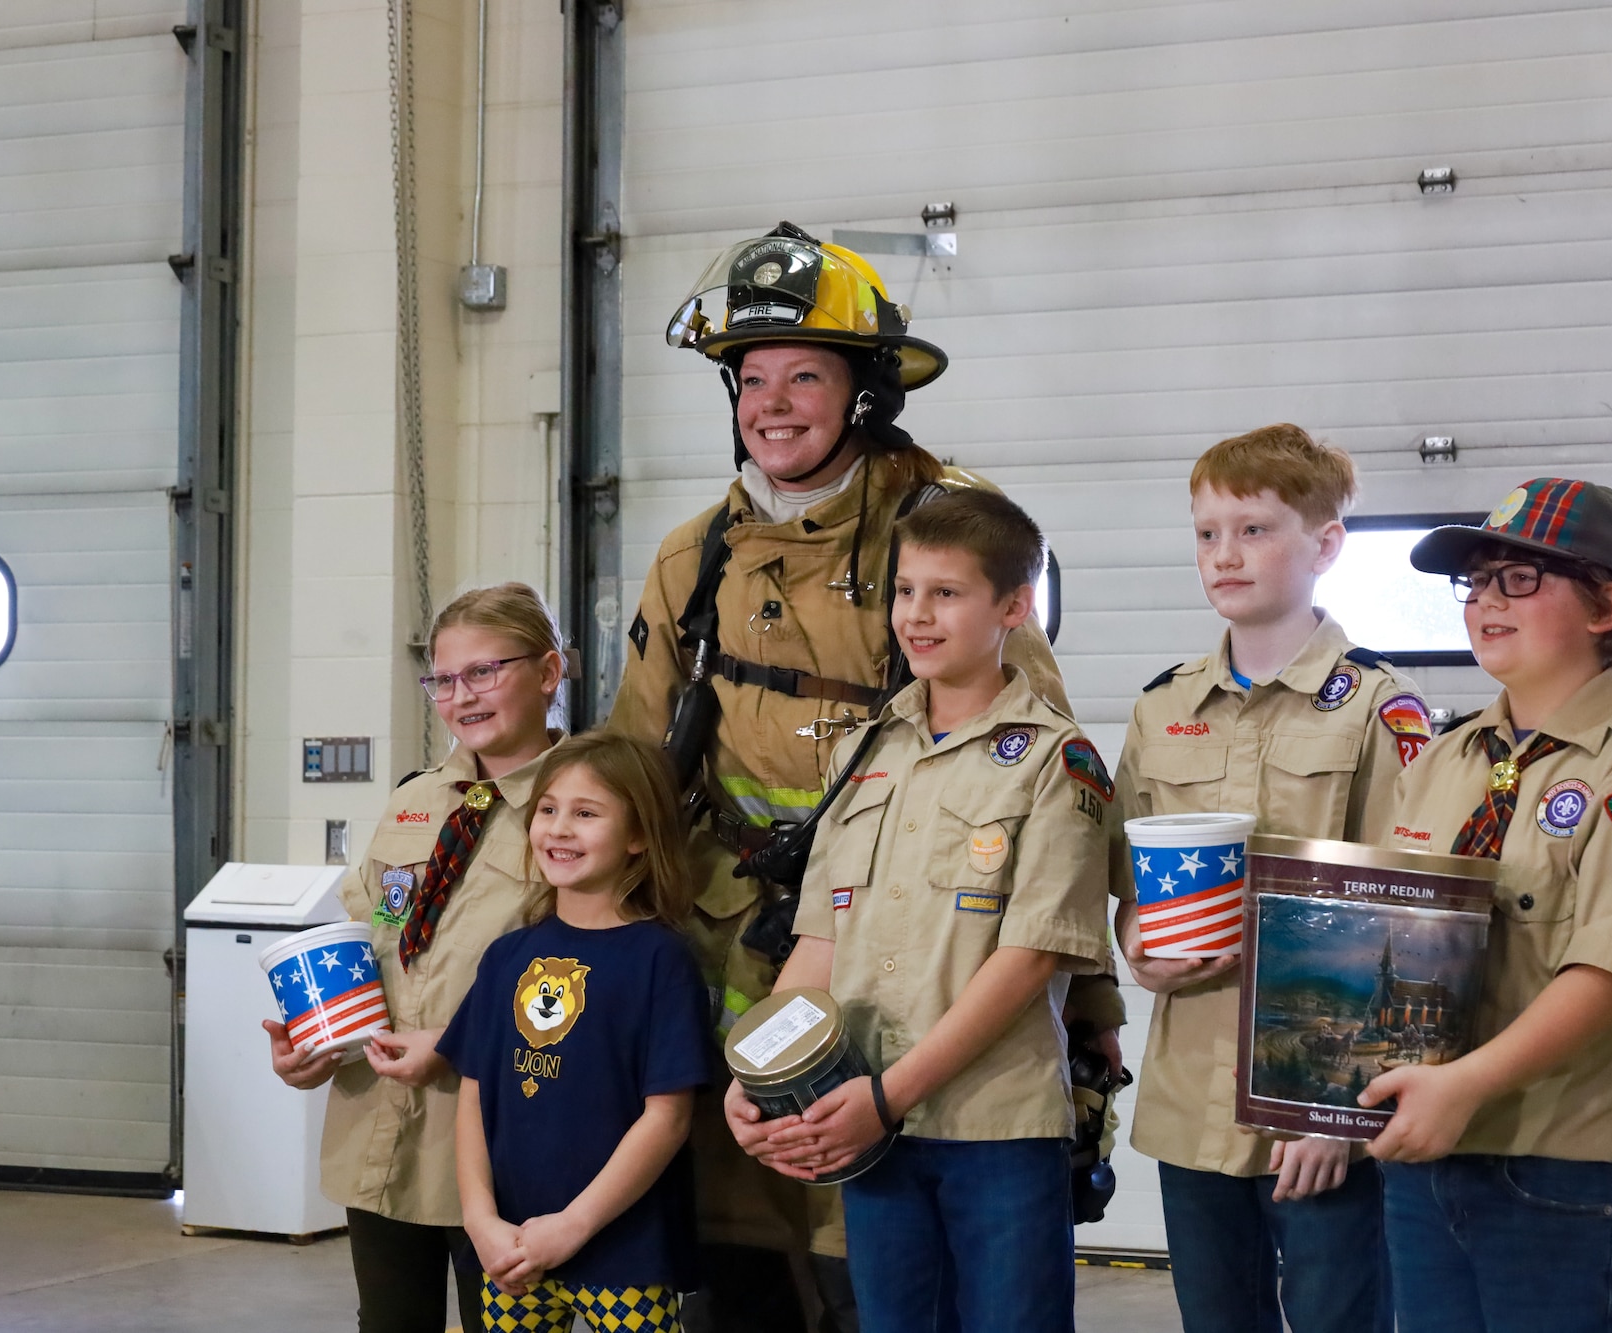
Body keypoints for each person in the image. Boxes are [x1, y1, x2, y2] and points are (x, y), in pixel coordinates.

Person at [612, 222, 1115, 1331]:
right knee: (742, 1243)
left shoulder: (942, 540)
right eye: (751, 378)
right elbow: (628, 780)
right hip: (739, 957)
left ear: (864, 393)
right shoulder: (691, 558)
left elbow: (1041, 788)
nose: (773, 402)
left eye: (804, 374)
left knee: (881, 1269)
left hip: (923, 972)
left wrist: (1091, 1016)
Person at [727, 490, 1112, 1332]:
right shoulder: (869, 750)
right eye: (905, 590)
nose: (917, 615)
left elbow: (1030, 958)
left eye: (947, 592)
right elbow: (822, 941)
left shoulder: (1057, 761)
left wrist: (888, 1095)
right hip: (873, 1131)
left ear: (1014, 606)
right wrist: (755, 1077)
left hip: (995, 1134)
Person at [1361, 478, 1612, 1332]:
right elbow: (1388, 928)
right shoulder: (1445, 760)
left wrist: (1466, 1083)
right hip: (1428, 1149)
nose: (1485, 600)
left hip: (1558, 1166)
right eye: (1475, 581)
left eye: (1519, 578)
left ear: (1607, 605)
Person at [1109, 425, 1414, 1333]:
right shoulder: (1165, 707)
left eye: (1253, 529)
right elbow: (1131, 888)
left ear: (1324, 545)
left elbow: (1403, 918)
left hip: (1315, 1106)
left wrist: (1336, 1113)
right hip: (1191, 1096)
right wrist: (1140, 951)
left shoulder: (1375, 707)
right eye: (1207, 533)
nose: (1224, 554)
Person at [264, 583, 567, 1333]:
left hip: (504, 1134)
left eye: (486, 671)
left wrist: (462, 1042)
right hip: (384, 1127)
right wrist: (318, 1040)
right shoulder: (415, 803)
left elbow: (593, 975)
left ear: (550, 671)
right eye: (443, 679)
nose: (462, 696)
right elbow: (372, 931)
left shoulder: (581, 802)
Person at [439, 731, 711, 1332]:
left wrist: (574, 1225)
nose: (559, 829)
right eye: (548, 809)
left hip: (626, 1254)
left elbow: (667, 1118)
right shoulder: (507, 957)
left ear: (638, 836)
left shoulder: (660, 961)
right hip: (511, 1251)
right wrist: (481, 1221)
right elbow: (474, 1098)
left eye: (586, 813)